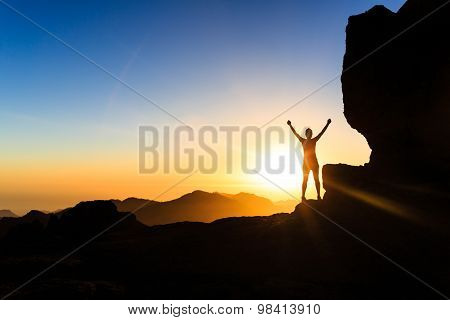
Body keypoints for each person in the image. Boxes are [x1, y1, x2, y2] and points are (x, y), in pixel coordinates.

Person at [287, 119, 331, 201]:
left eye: (311, 133)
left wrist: (327, 124)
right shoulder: (302, 140)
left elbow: (322, 132)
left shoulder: (314, 140)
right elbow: (295, 133)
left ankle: (318, 196)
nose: (310, 134)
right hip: (306, 164)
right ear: (306, 134)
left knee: (316, 180)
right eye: (309, 133)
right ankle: (303, 196)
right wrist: (290, 125)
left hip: (314, 163)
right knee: (305, 180)